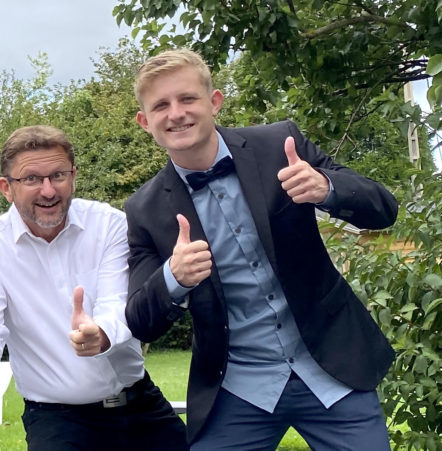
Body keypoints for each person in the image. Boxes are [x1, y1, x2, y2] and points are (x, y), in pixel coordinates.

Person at [124, 48, 399, 450]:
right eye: (161, 105)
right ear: (144, 122)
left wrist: (327, 187)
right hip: (237, 388)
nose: (176, 113)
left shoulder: (279, 145)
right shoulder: (144, 209)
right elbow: (140, 321)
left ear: (214, 102)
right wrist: (173, 278)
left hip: (330, 366)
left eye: (187, 98)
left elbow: (384, 209)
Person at [0, 125, 188, 451]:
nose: (48, 190)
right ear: (6, 188)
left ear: (74, 176)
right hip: (58, 421)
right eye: (31, 179)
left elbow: (116, 301)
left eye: (58, 175)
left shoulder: (108, 224)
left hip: (140, 404)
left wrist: (101, 334)